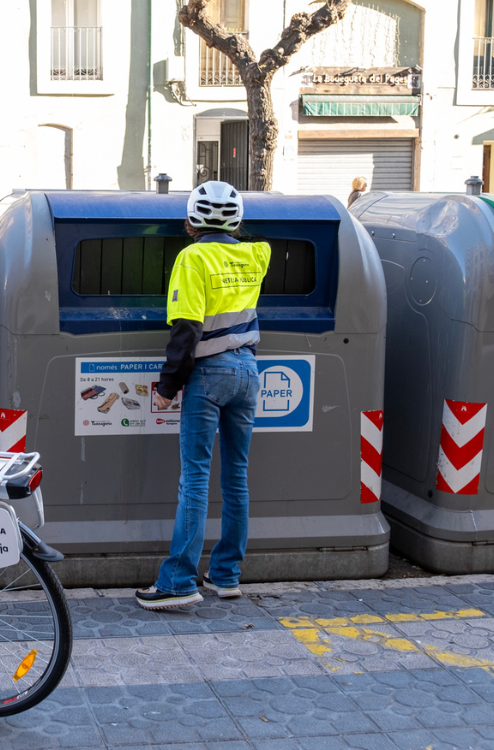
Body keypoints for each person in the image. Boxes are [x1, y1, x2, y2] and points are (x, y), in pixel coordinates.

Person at [136, 180, 270, 610]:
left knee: (194, 478)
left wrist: (168, 385)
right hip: (248, 371)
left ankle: (178, 582)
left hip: (209, 375)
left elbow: (187, 329)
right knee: (237, 476)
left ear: (191, 218)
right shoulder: (257, 255)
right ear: (237, 220)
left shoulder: (192, 258)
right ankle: (227, 574)